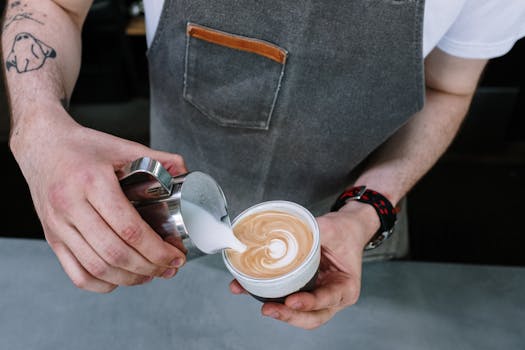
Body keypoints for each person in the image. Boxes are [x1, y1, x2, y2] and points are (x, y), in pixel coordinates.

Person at [2, 0, 524, 330]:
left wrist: (368, 212)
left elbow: (446, 86)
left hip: (350, 229)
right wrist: (38, 128)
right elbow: (55, 6)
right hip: (172, 209)